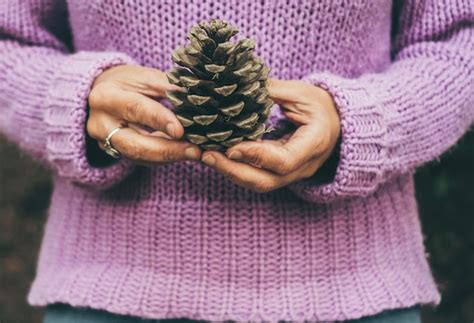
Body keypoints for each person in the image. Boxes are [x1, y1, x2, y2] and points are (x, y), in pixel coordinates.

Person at [1, 0, 473, 322]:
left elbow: (460, 39)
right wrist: (74, 101)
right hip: (104, 294)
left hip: (356, 294)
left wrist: (362, 124)